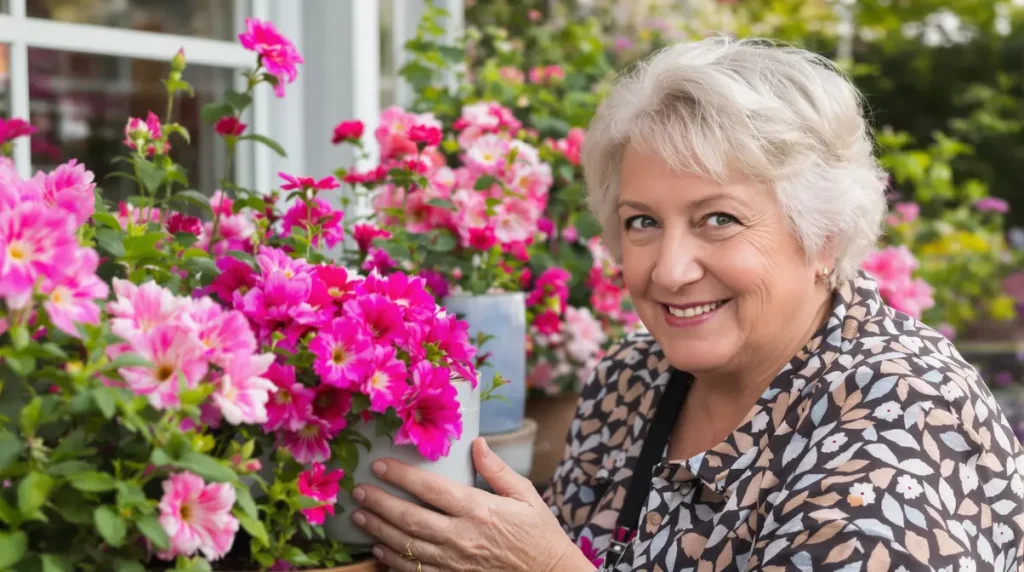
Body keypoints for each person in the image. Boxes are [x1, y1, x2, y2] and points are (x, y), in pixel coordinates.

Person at [347, 37, 1024, 571]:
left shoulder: (908, 412)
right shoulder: (631, 381)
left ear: (824, 236)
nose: (668, 271)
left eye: (718, 219)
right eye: (643, 221)